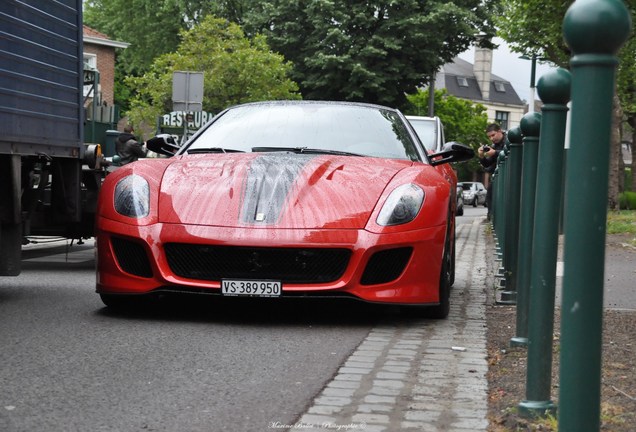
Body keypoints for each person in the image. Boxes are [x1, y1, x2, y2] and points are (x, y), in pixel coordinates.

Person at [478, 123, 507, 219]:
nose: (491, 138)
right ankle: (491, 216)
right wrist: (481, 156)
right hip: (498, 175)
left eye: (493, 135)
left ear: (500, 131)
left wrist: (495, 153)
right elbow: (487, 164)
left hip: (508, 174)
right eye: (489, 136)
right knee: (490, 194)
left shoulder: (508, 140)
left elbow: (509, 152)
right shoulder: (494, 145)